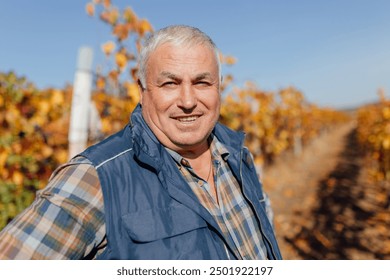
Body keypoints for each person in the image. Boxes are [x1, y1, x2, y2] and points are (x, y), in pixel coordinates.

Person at [0, 25, 282, 260]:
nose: (187, 101)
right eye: (169, 84)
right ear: (142, 91)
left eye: (202, 83)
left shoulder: (237, 154)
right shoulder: (97, 178)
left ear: (218, 88)